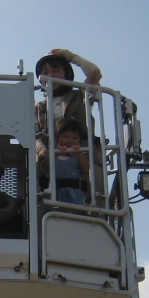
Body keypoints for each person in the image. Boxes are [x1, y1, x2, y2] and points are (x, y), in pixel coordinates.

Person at [34, 49, 106, 205]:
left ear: (66, 74)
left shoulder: (80, 96)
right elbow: (35, 135)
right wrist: (43, 154)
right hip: (53, 160)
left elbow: (94, 73)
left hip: (82, 156)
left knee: (92, 199)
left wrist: (71, 57)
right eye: (45, 72)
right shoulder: (38, 107)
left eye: (55, 70)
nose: (50, 75)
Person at [38, 120, 90, 205]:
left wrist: (79, 154)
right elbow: (43, 167)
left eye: (74, 138)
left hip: (76, 197)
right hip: (55, 197)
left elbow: (87, 170)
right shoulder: (52, 154)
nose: (70, 140)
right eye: (66, 137)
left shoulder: (80, 155)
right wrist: (55, 154)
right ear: (57, 139)